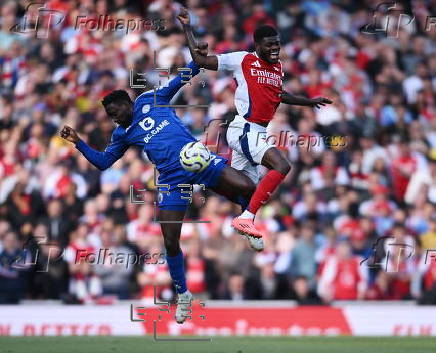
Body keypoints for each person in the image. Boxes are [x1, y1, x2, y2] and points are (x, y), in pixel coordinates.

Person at [59, 46, 257, 324]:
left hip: (197, 160)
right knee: (170, 240)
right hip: (171, 180)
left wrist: (196, 56)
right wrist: (78, 142)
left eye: (118, 113)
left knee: (248, 187)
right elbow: (103, 162)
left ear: (129, 103)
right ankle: (184, 295)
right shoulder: (122, 134)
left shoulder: (151, 98)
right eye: (112, 117)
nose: (116, 119)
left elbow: (183, 76)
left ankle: (247, 221)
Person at [177, 8, 332, 242]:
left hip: (257, 130)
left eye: (277, 45)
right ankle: (246, 216)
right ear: (257, 45)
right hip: (244, 127)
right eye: (269, 45)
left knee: (248, 188)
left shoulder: (278, 67)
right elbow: (200, 60)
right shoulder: (243, 59)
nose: (274, 49)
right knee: (282, 166)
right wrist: (188, 28)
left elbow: (279, 94)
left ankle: (205, 177)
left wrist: (309, 102)